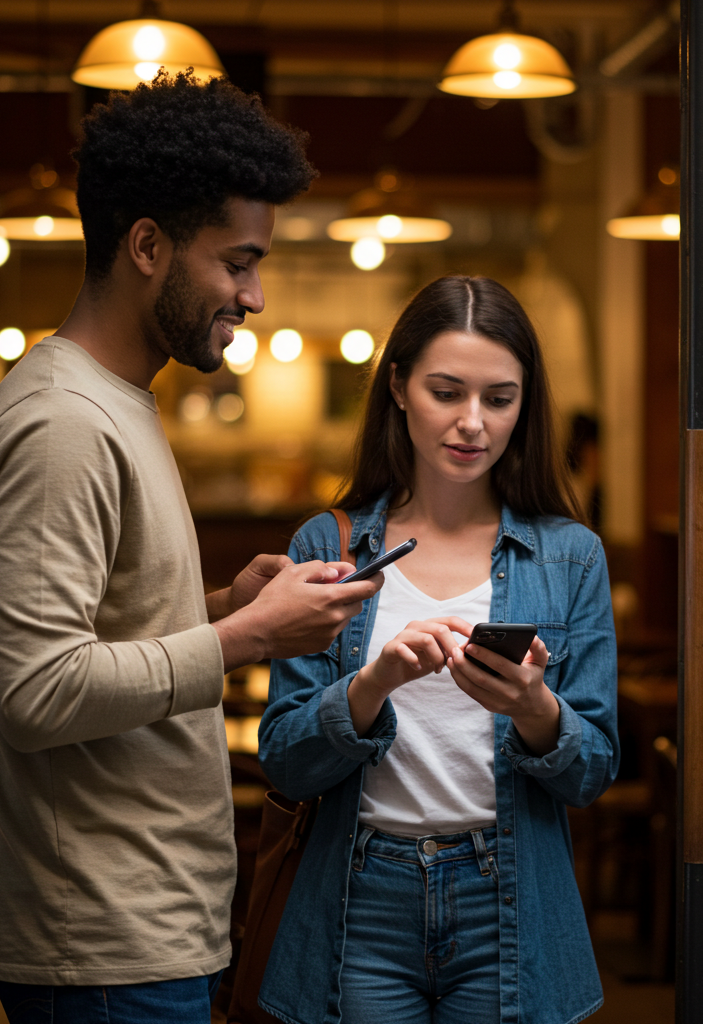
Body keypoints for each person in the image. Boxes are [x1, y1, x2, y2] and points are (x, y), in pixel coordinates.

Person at [0, 71, 381, 1023]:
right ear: (148, 246)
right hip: (102, 946)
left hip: (141, 931)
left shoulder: (114, 400)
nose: (256, 295)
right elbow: (32, 691)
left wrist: (222, 610)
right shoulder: (63, 423)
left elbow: (94, 637)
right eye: (237, 262)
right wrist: (247, 643)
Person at [257, 275, 620, 1024]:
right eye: (446, 392)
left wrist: (537, 710)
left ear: (526, 403)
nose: (472, 423)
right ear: (397, 386)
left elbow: (593, 772)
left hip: (508, 895)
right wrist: (371, 686)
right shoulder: (327, 546)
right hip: (361, 897)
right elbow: (285, 760)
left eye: (498, 398)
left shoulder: (571, 557)